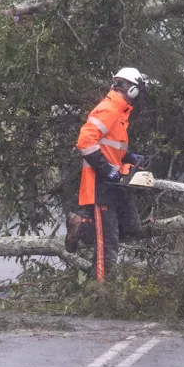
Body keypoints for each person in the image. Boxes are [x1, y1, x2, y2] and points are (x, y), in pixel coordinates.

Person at [65, 67, 149, 281]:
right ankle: (102, 293)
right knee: (108, 247)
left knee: (131, 228)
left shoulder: (120, 113)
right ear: (132, 90)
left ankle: (85, 226)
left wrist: (129, 157)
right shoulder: (109, 109)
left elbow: (109, 147)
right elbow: (85, 142)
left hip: (116, 184)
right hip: (101, 186)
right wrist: (107, 171)